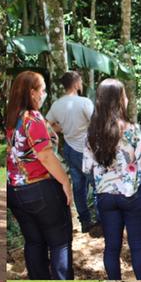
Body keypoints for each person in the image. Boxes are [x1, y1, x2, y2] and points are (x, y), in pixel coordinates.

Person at [83, 78, 141, 279]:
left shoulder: (92, 133)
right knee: (138, 247)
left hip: (105, 196)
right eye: (124, 95)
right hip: (132, 194)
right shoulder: (134, 130)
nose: (127, 99)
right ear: (119, 100)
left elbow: (86, 167)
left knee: (111, 247)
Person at [8, 71, 74, 280]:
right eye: (42, 90)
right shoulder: (32, 117)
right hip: (40, 188)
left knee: (34, 241)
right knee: (60, 242)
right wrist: (65, 182)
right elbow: (45, 156)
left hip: (15, 191)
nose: (44, 94)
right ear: (32, 92)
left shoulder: (11, 118)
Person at [46, 71, 97, 234]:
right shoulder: (84, 102)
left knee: (78, 186)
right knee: (97, 184)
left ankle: (85, 222)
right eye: (80, 81)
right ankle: (101, 220)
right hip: (85, 150)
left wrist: (62, 129)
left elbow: (47, 125)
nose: (81, 84)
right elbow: (96, 123)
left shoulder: (57, 105)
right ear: (75, 84)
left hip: (69, 148)